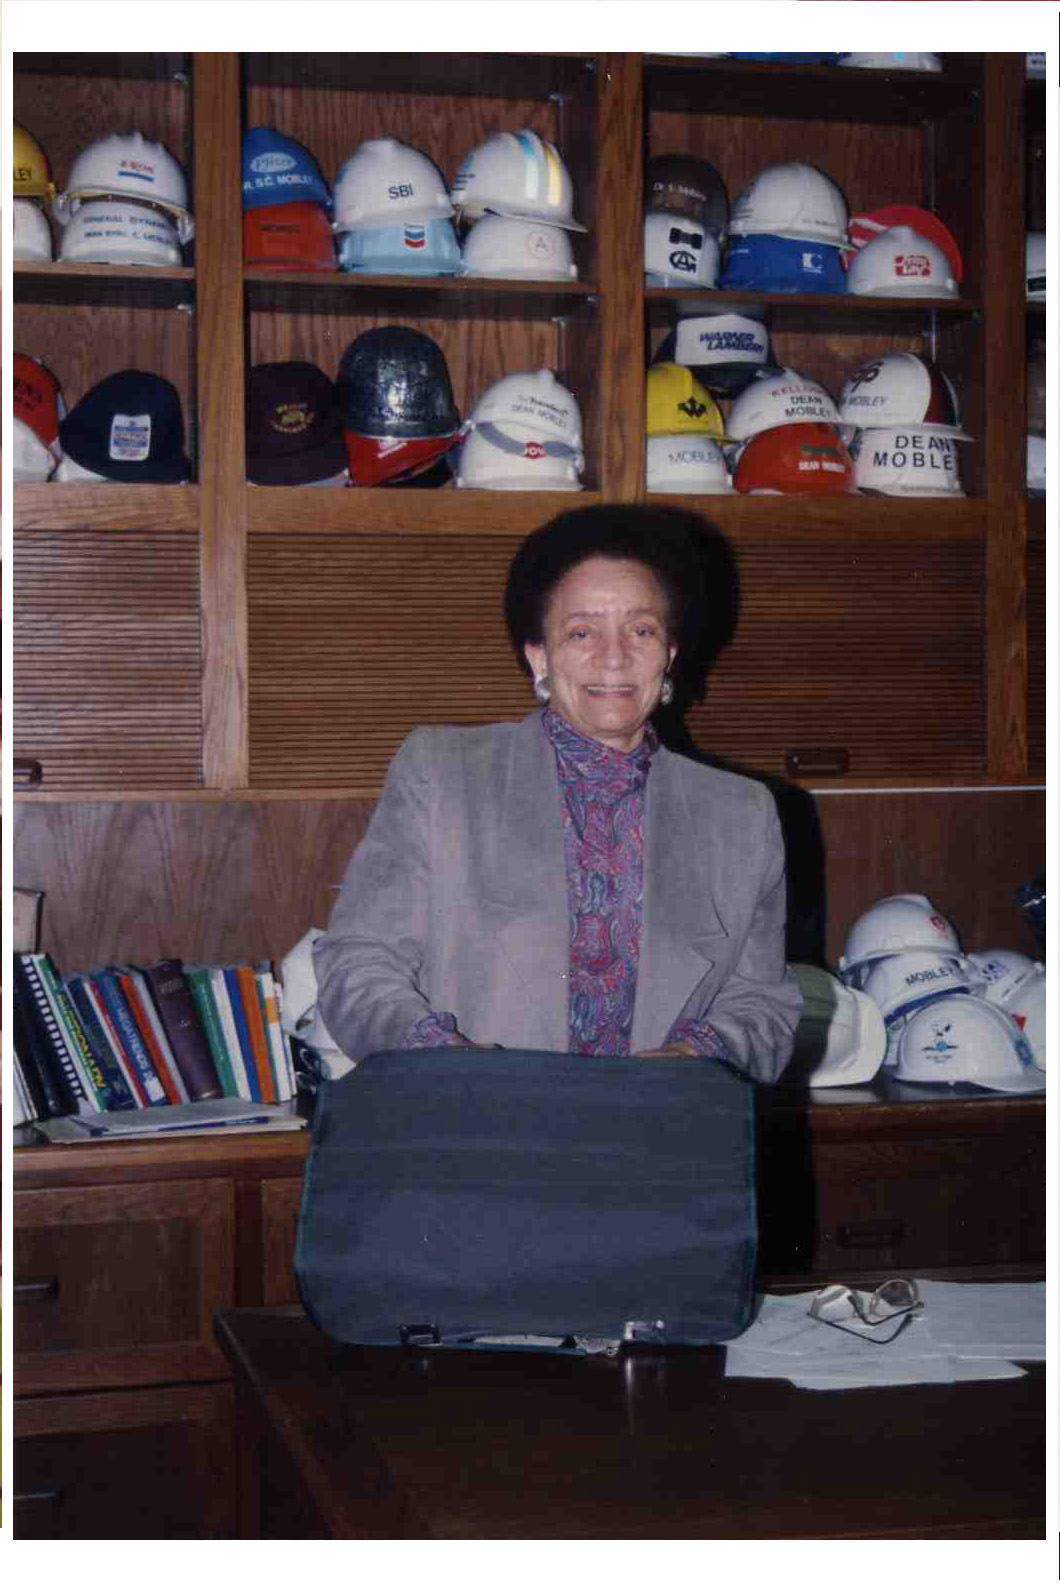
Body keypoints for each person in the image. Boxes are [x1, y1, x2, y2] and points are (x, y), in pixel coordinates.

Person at [314, 503, 801, 1081]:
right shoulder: (443, 774)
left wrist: (695, 1060)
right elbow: (357, 964)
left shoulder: (742, 815)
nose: (614, 656)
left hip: (660, 1146)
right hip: (480, 1135)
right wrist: (445, 1062)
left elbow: (764, 1004)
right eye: (581, 632)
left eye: (641, 630)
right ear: (538, 656)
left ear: (669, 656)